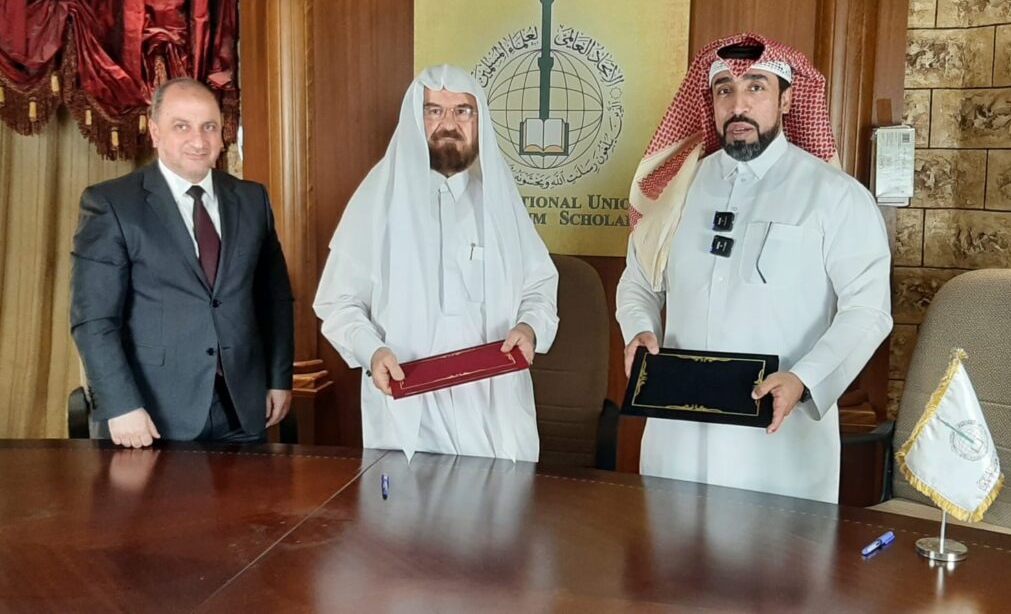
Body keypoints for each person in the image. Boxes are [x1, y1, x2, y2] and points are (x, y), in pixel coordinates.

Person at [616, 33, 892, 503]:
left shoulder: (835, 195)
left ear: (786, 99)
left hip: (776, 438)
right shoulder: (678, 189)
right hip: (678, 434)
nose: (738, 105)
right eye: (724, 89)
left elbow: (868, 311)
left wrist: (805, 379)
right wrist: (639, 329)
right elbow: (639, 281)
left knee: (774, 551)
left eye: (756, 87)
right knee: (668, 547)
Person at [314, 64, 558, 462]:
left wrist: (529, 327)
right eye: (434, 111)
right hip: (406, 405)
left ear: (479, 121)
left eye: (462, 111)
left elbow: (539, 286)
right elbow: (339, 302)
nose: (449, 124)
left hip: (491, 410)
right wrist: (371, 352)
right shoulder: (377, 198)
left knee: (499, 503)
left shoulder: (499, 200)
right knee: (403, 502)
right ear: (416, 118)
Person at [71, 78, 295, 448]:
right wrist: (121, 406)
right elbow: (94, 320)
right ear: (155, 132)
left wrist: (278, 378)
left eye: (209, 126)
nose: (198, 140)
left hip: (244, 407)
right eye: (181, 126)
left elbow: (276, 300)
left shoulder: (252, 199)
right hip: (153, 414)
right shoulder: (110, 204)